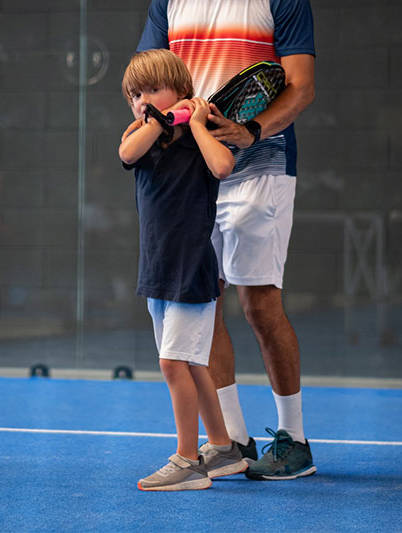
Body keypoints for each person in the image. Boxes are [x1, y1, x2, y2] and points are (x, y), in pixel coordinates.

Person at [136, 0, 317, 480]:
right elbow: (144, 82)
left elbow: (300, 85)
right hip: (193, 172)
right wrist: (172, 128)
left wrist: (250, 130)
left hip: (262, 167)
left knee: (259, 304)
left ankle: (294, 440)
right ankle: (230, 440)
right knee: (202, 298)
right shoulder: (167, 3)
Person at [119, 49, 247, 491]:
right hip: (157, 269)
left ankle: (189, 461)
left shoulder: (200, 135)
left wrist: (194, 123)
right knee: (191, 365)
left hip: (192, 269)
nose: (142, 100)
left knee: (175, 363)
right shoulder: (142, 133)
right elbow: (128, 151)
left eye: (153, 89)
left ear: (182, 92)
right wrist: (156, 117)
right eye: (136, 94)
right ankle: (224, 449)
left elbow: (223, 165)